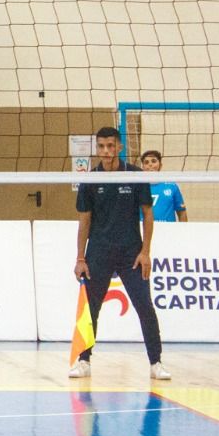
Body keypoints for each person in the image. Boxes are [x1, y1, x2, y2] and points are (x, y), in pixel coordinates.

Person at [69, 126, 168, 380]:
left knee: (145, 306)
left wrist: (145, 252)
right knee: (90, 309)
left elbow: (147, 214)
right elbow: (84, 221)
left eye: (110, 146)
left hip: (131, 253)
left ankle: (156, 363)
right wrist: (80, 257)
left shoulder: (135, 175)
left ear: (119, 147)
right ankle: (84, 360)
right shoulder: (91, 179)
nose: (106, 151)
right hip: (99, 252)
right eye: (101, 146)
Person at [140, 150, 188, 222]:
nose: (150, 164)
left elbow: (182, 213)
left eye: (153, 161)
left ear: (160, 165)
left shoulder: (172, 186)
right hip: (144, 229)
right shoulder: (137, 187)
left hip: (168, 231)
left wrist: (183, 231)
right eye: (146, 162)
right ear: (143, 167)